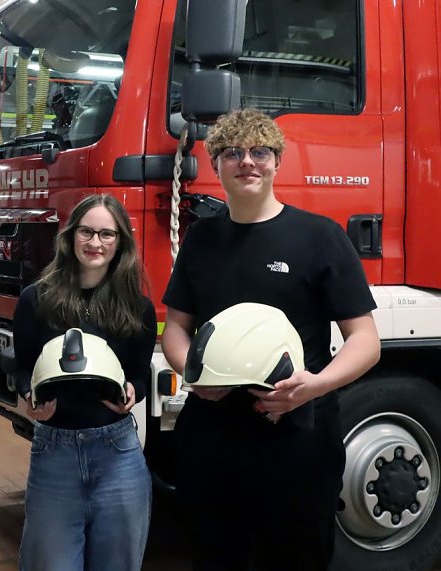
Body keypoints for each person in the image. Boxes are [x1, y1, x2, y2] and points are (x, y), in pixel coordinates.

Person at [161, 108, 381, 570]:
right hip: (214, 435)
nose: (247, 162)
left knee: (297, 555)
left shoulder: (320, 237)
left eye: (260, 151)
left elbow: (364, 341)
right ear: (216, 164)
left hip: (298, 436)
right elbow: (176, 327)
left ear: (277, 162)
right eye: (232, 153)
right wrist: (192, 374)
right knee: (217, 554)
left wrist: (313, 387)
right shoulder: (202, 239)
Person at [13, 194, 156, 571]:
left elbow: (140, 373)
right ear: (70, 236)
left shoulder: (136, 305)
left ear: (121, 241)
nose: (95, 243)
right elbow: (21, 367)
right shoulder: (37, 298)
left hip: (117, 451)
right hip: (54, 450)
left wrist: (133, 392)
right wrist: (30, 394)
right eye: (87, 232)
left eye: (107, 234)